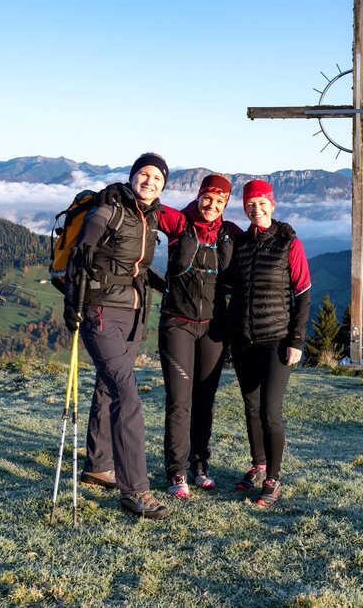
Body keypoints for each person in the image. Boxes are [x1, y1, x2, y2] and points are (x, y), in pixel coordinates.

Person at [63, 152, 170, 519]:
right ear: (133, 175)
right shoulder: (109, 209)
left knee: (109, 388)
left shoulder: (150, 216)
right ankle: (135, 491)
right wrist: (72, 306)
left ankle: (98, 464)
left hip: (133, 314)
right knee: (127, 395)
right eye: (145, 174)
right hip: (101, 312)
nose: (150, 181)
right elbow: (80, 254)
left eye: (158, 179)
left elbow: (134, 265)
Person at [154, 173, 244, 498]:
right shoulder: (180, 223)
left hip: (214, 329)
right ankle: (176, 472)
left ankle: (199, 464)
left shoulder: (229, 233)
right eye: (208, 197)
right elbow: (149, 207)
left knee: (205, 400)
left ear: (226, 205)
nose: (212, 205)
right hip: (177, 324)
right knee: (180, 402)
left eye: (220, 201)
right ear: (199, 195)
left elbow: (261, 244)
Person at [227, 179, 311, 508]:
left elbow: (303, 293)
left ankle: (273, 478)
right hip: (244, 339)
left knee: (269, 411)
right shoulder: (240, 243)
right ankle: (258, 465)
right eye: (250, 203)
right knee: (250, 407)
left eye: (262, 203)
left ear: (272, 205)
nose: (256, 208)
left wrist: (296, 340)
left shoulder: (289, 242)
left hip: (277, 340)